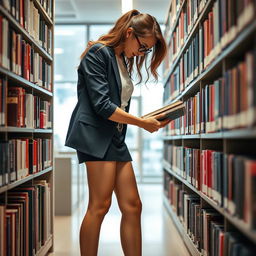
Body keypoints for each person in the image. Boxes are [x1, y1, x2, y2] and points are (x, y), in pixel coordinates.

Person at [65, 9, 169, 256]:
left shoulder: (121, 59)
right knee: (99, 206)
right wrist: (142, 123)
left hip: (113, 137)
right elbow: (102, 106)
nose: (143, 54)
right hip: (96, 135)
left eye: (148, 50)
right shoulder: (98, 53)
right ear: (129, 33)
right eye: (143, 47)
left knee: (133, 206)